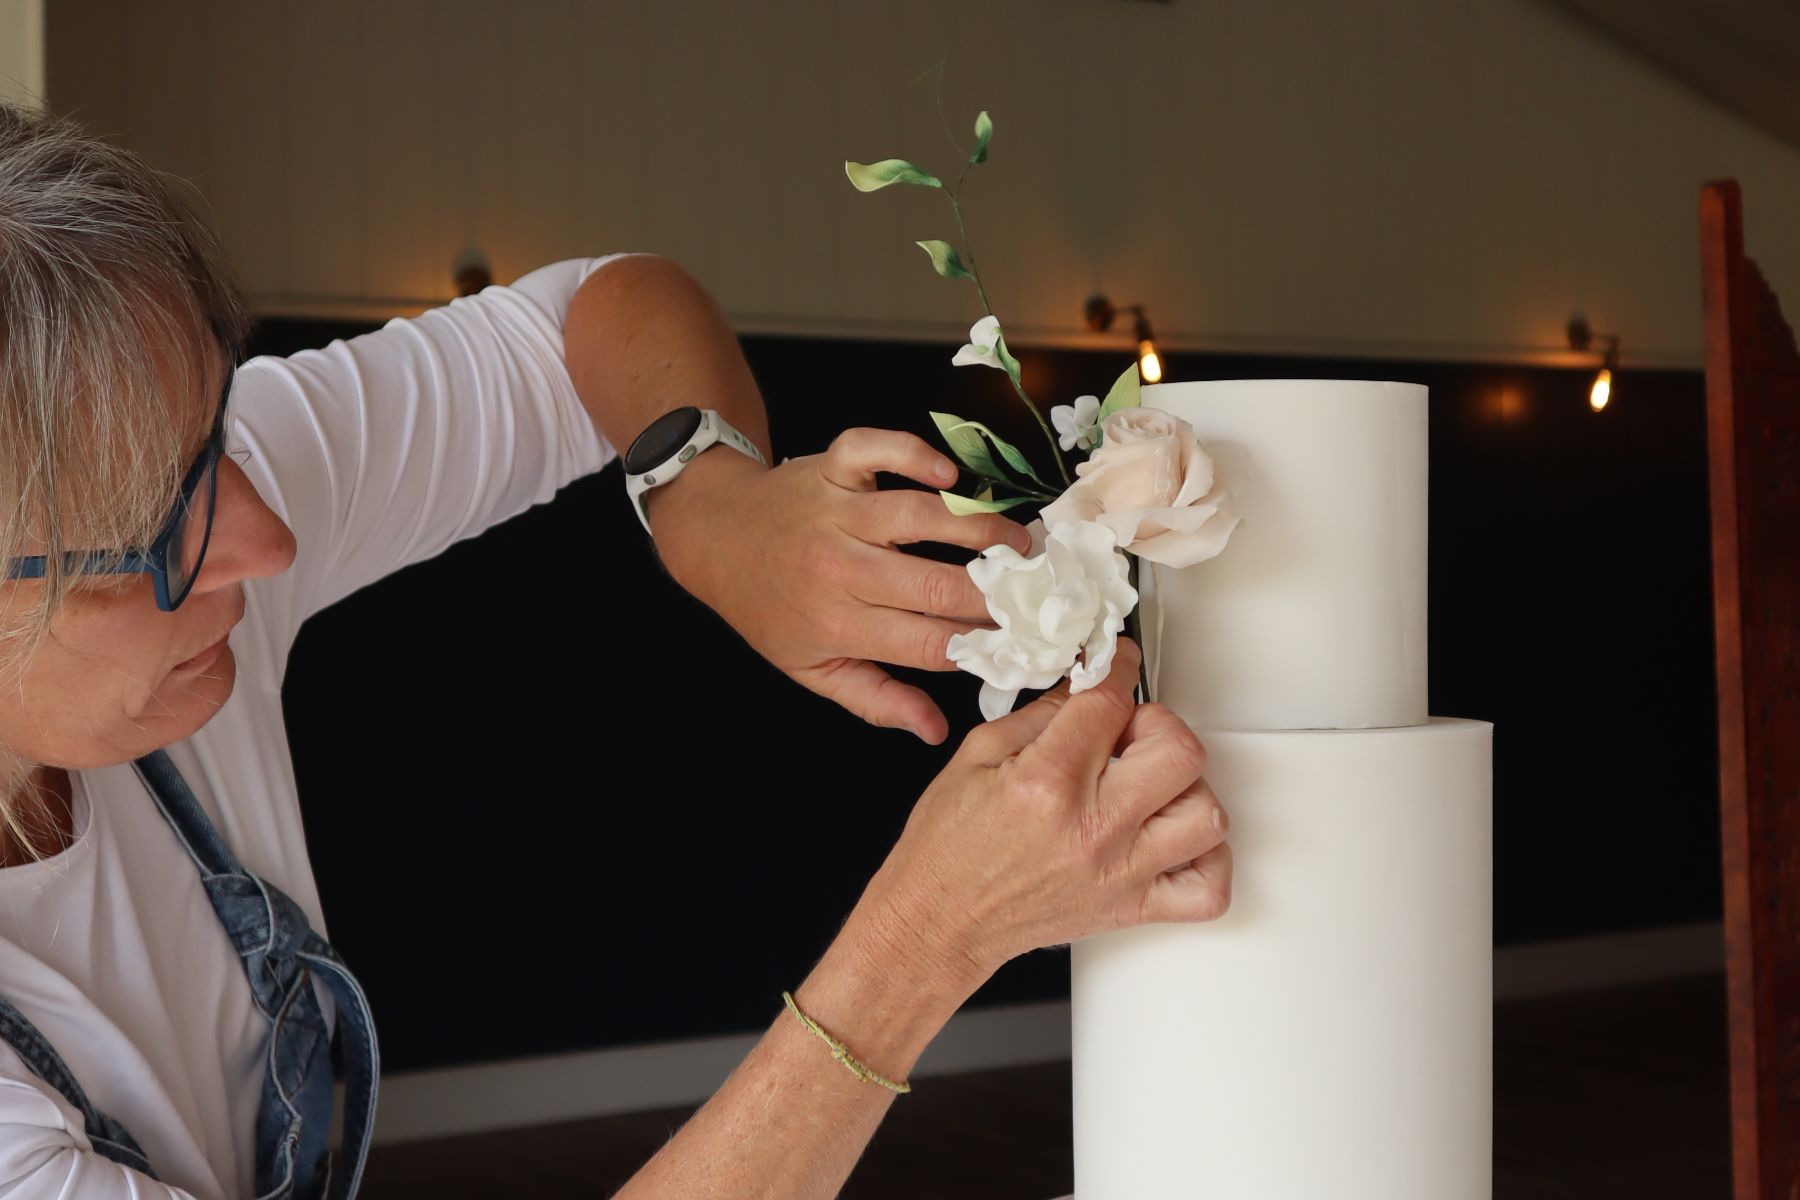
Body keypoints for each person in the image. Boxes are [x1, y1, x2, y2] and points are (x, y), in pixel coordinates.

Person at [0, 103, 1232, 1200]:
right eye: (158, 540)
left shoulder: (164, 503)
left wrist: (707, 501)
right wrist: (925, 947)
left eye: (221, 441)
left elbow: (598, 309)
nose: (265, 540)